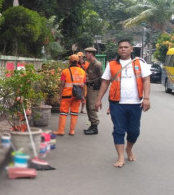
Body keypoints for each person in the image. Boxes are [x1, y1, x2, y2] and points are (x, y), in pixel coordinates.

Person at [95, 39, 151, 167]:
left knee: (134, 131)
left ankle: (129, 149)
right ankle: (120, 157)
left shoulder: (140, 63)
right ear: (118, 49)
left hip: (136, 103)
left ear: (131, 49)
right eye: (120, 47)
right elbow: (105, 82)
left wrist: (146, 98)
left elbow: (146, 80)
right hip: (117, 104)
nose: (123, 49)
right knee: (119, 130)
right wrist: (98, 99)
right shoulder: (111, 64)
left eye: (126, 47)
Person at [53, 54, 86, 136]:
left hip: (66, 95)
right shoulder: (83, 71)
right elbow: (84, 85)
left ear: (70, 61)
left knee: (63, 113)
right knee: (74, 113)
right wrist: (83, 96)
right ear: (78, 61)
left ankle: (61, 131)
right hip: (77, 95)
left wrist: (59, 95)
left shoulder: (65, 71)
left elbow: (62, 85)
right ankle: (72, 131)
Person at [83, 47, 104, 135]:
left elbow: (102, 79)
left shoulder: (97, 64)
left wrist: (100, 94)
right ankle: (92, 125)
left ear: (91, 54)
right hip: (89, 88)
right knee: (88, 107)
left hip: (94, 89)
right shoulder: (91, 64)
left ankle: (95, 127)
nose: (85, 55)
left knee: (92, 107)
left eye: (87, 53)